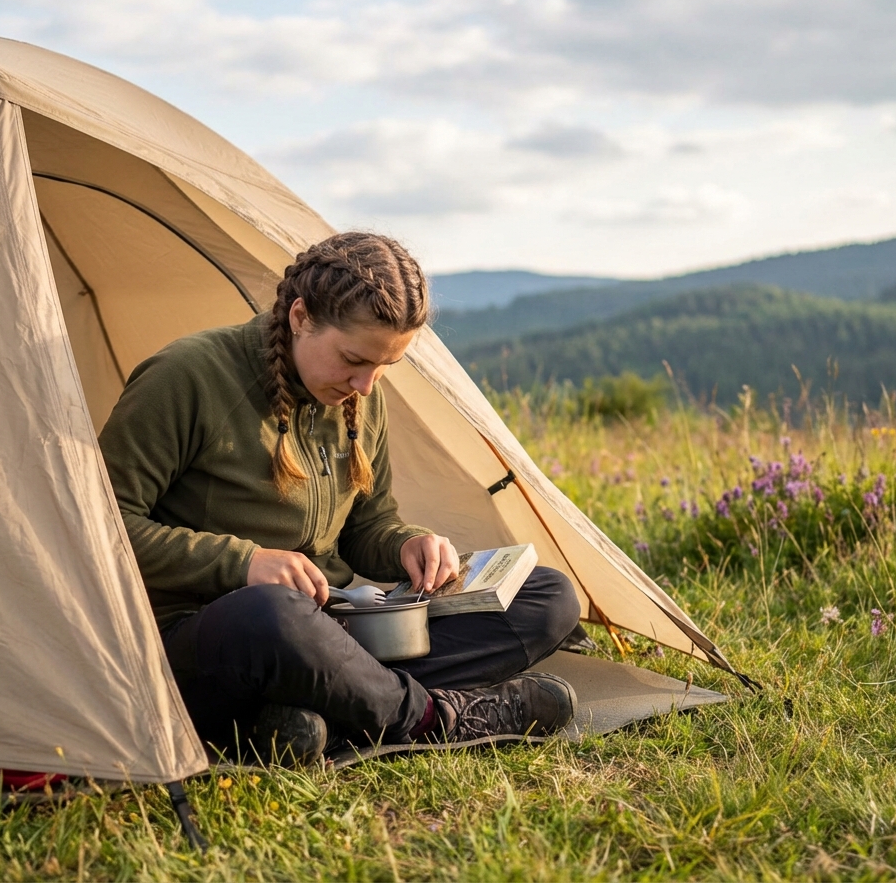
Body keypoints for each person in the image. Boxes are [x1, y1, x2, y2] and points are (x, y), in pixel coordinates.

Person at [97, 232, 582, 766]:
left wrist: (406, 546)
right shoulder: (186, 377)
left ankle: (318, 714)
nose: (367, 385)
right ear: (301, 317)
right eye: (353, 360)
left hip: (335, 626)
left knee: (546, 597)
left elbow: (367, 524)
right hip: (210, 635)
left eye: (384, 368)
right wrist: (244, 564)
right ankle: (432, 719)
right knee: (272, 613)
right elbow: (100, 526)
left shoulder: (359, 398)